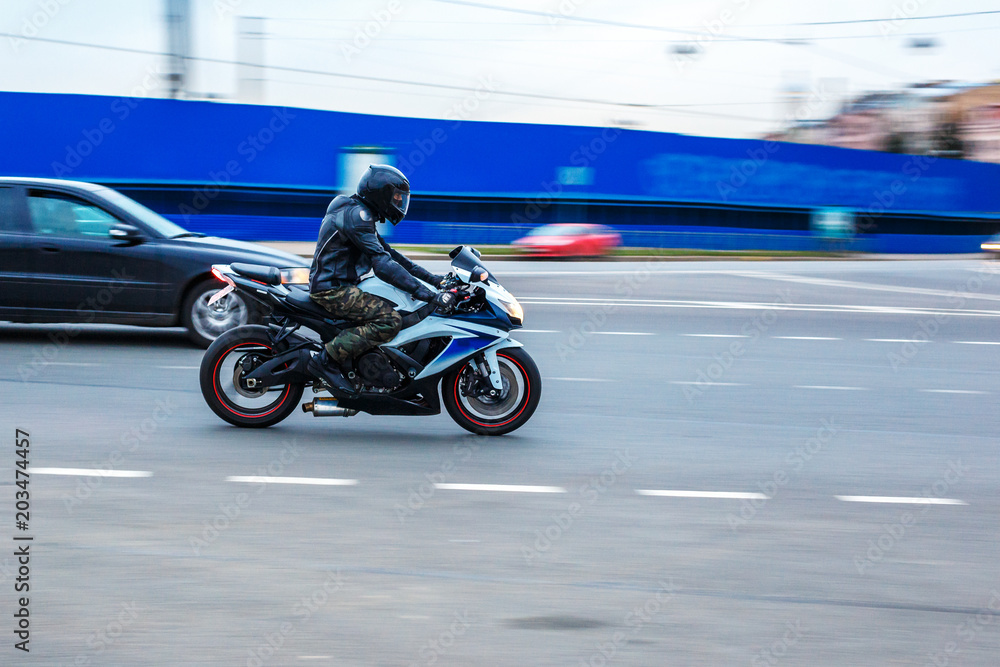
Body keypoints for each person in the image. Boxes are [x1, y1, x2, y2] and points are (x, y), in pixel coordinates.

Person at [307, 164, 456, 394]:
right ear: (380, 193)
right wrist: (429, 295)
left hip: (340, 285)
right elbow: (383, 266)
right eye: (396, 196)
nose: (399, 203)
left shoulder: (357, 214)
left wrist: (434, 281)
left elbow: (393, 257)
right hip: (332, 290)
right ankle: (326, 359)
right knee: (390, 320)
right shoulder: (357, 216)